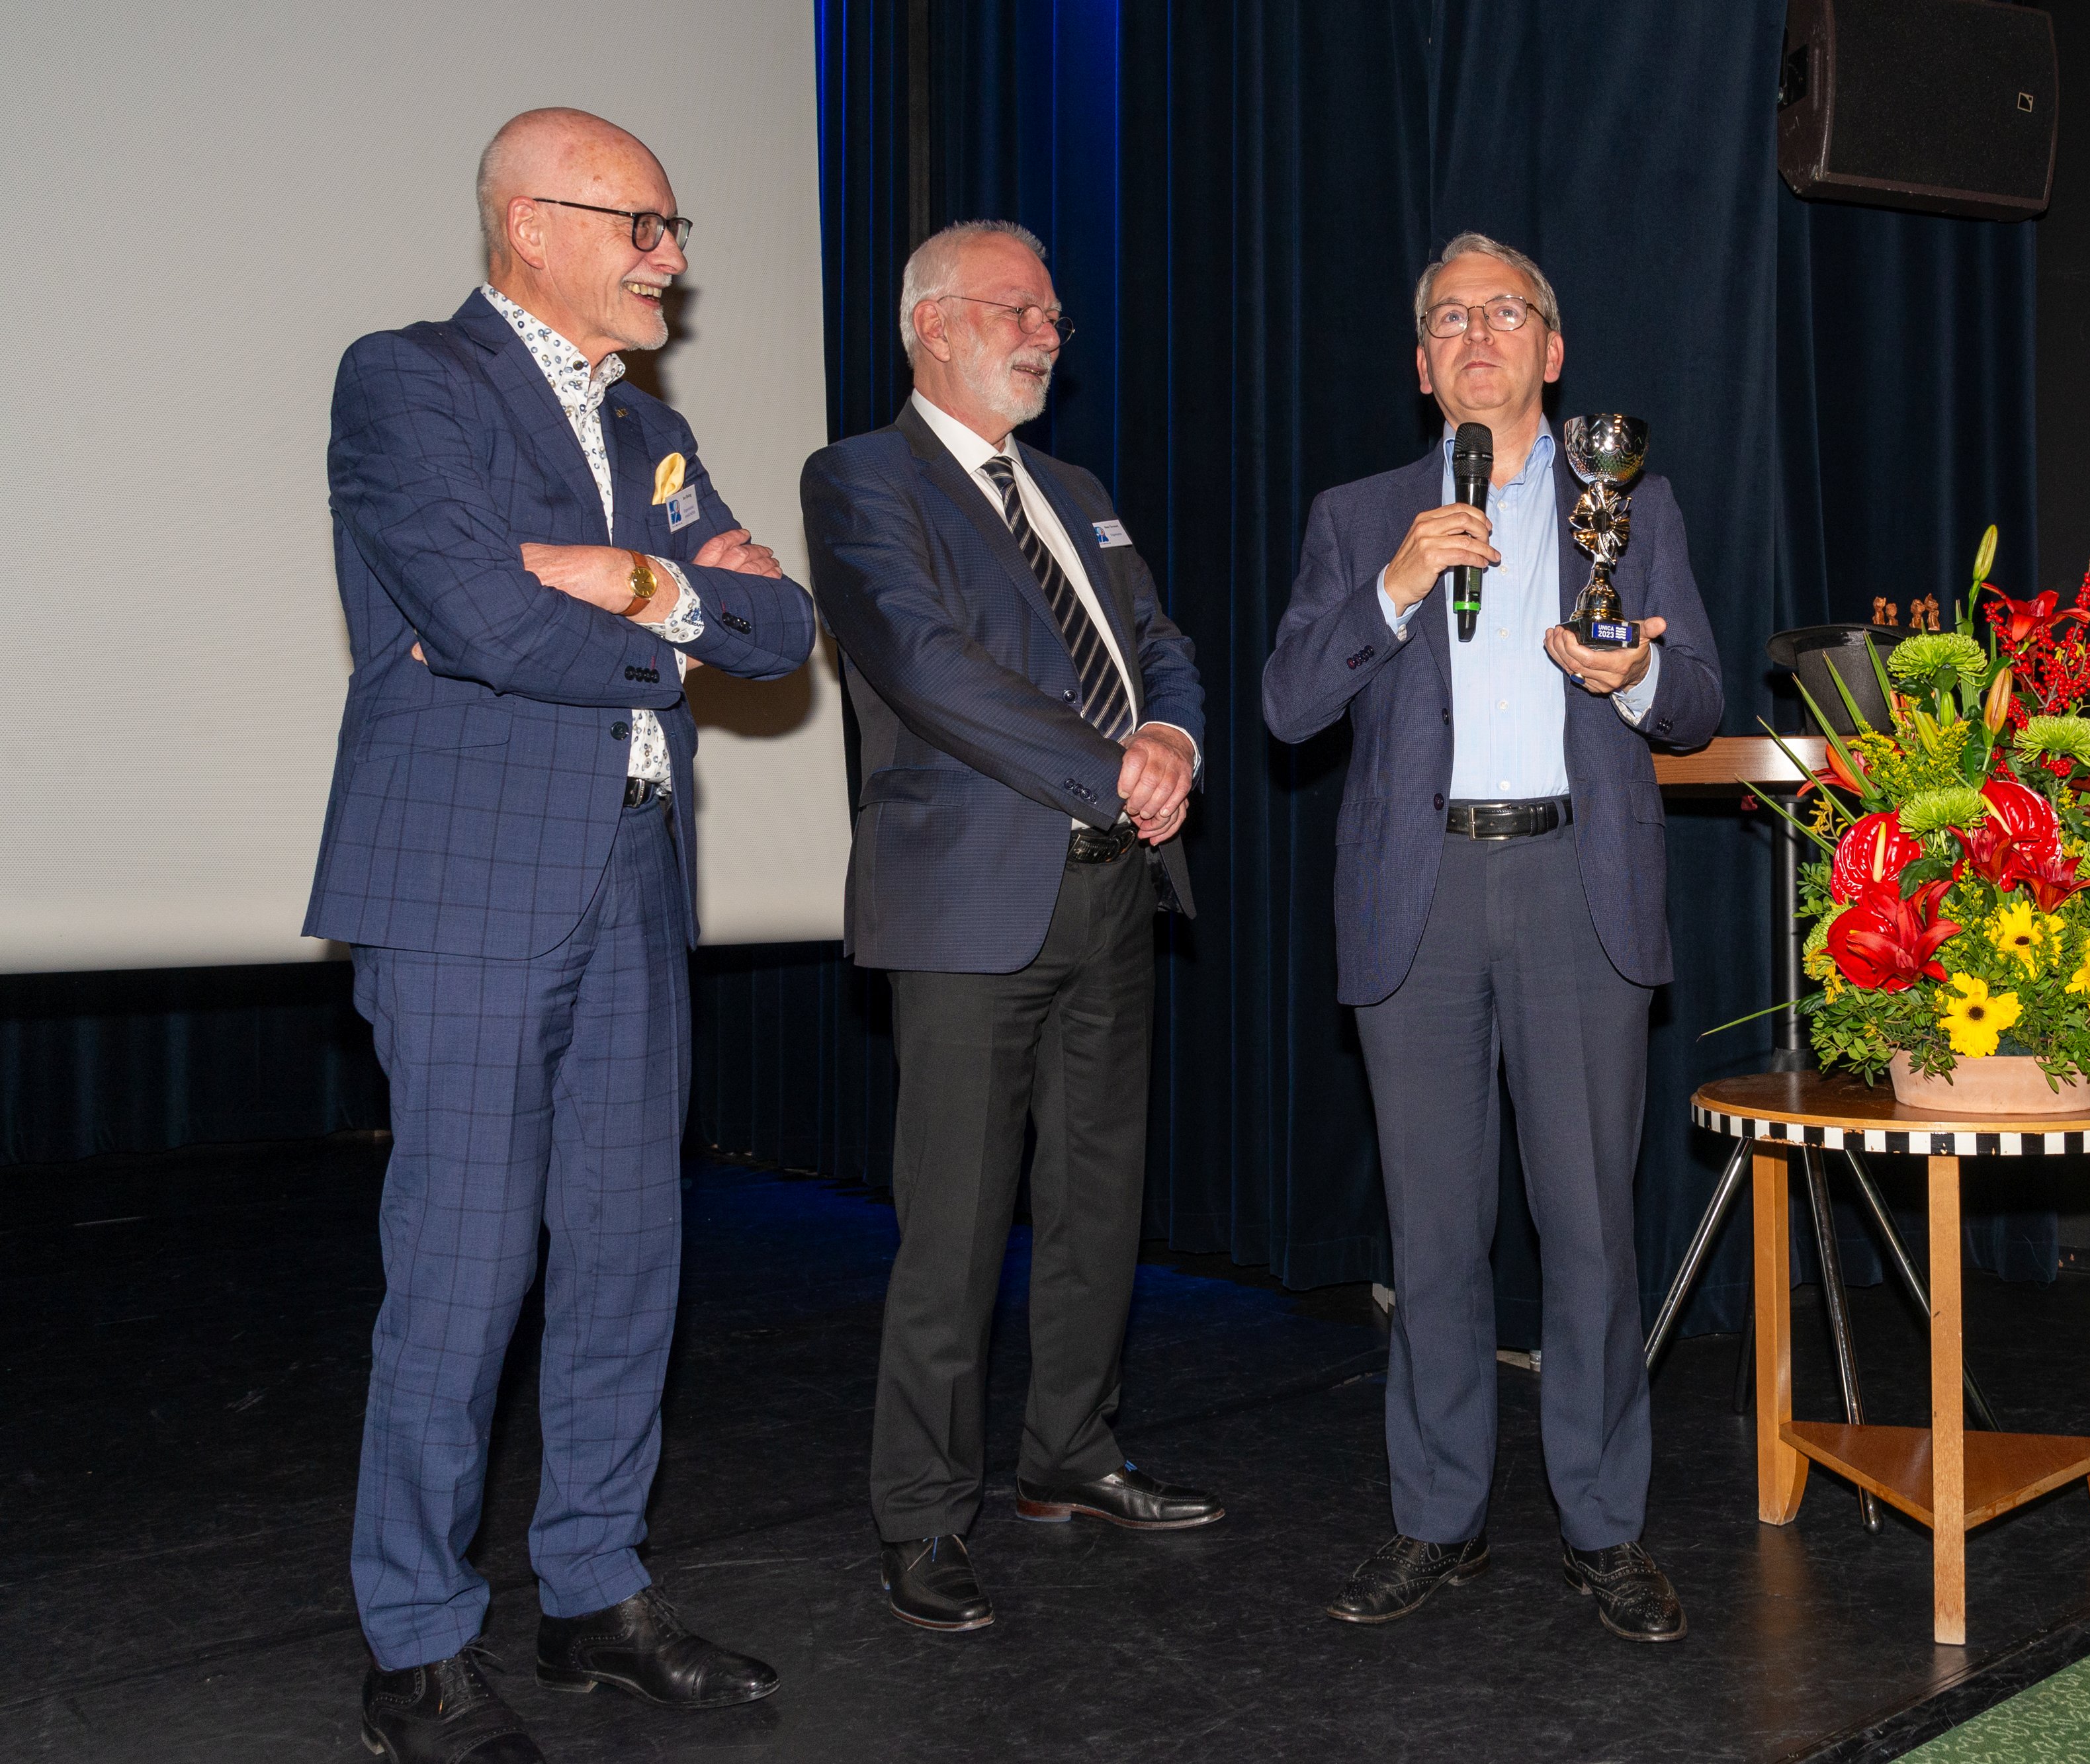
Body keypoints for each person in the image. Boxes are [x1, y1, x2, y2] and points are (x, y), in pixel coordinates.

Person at [308, 108, 815, 1761]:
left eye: (672, 229)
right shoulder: (409, 381)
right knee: (463, 1273)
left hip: (633, 878)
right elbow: (476, 619)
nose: (670, 258)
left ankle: (594, 1588)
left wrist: (625, 578)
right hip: (464, 885)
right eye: (640, 226)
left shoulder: (649, 423)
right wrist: (676, 609)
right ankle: (416, 1643)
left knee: (626, 1255)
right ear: (531, 226)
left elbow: (782, 623)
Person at [1262, 231, 1723, 1643]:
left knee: (1589, 1233)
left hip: (1577, 883)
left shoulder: (1631, 504)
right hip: (1420, 896)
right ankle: (1436, 1517)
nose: (1476, 334)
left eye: (1504, 312)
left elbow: (1698, 700)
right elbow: (1287, 704)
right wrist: (1394, 588)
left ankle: (1602, 1527)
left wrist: (1634, 674)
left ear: (1551, 350)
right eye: (1449, 318)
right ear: (1421, 365)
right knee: (1435, 1233)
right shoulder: (1361, 516)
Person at [799, 219, 1219, 1634]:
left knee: (1100, 1199)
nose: (1045, 335)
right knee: (958, 1219)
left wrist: (1170, 734)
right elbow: (931, 670)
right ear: (930, 324)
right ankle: (922, 1512)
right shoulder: (861, 479)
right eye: (1015, 310)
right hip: (969, 902)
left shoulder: (1076, 491)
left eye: (1052, 317)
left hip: (1113, 888)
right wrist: (1113, 766)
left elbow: (1157, 643)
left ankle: (1071, 1455)